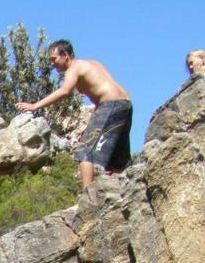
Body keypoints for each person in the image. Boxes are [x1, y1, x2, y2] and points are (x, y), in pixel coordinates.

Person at [17, 39, 132, 189]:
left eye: (54, 59)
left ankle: (87, 198)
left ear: (66, 55)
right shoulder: (92, 64)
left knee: (84, 151)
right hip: (125, 105)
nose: (52, 64)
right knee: (117, 159)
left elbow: (65, 91)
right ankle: (124, 191)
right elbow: (99, 97)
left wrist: (35, 105)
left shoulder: (74, 68)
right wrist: (90, 124)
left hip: (111, 105)